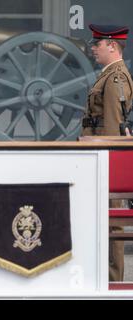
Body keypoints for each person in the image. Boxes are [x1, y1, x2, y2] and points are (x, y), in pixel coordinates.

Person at [81, 24, 133, 282]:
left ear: (112, 46)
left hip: (105, 156)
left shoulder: (115, 78)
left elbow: (113, 126)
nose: (93, 48)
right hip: (96, 152)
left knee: (110, 220)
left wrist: (106, 158)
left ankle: (112, 278)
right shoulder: (108, 75)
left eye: (97, 44)